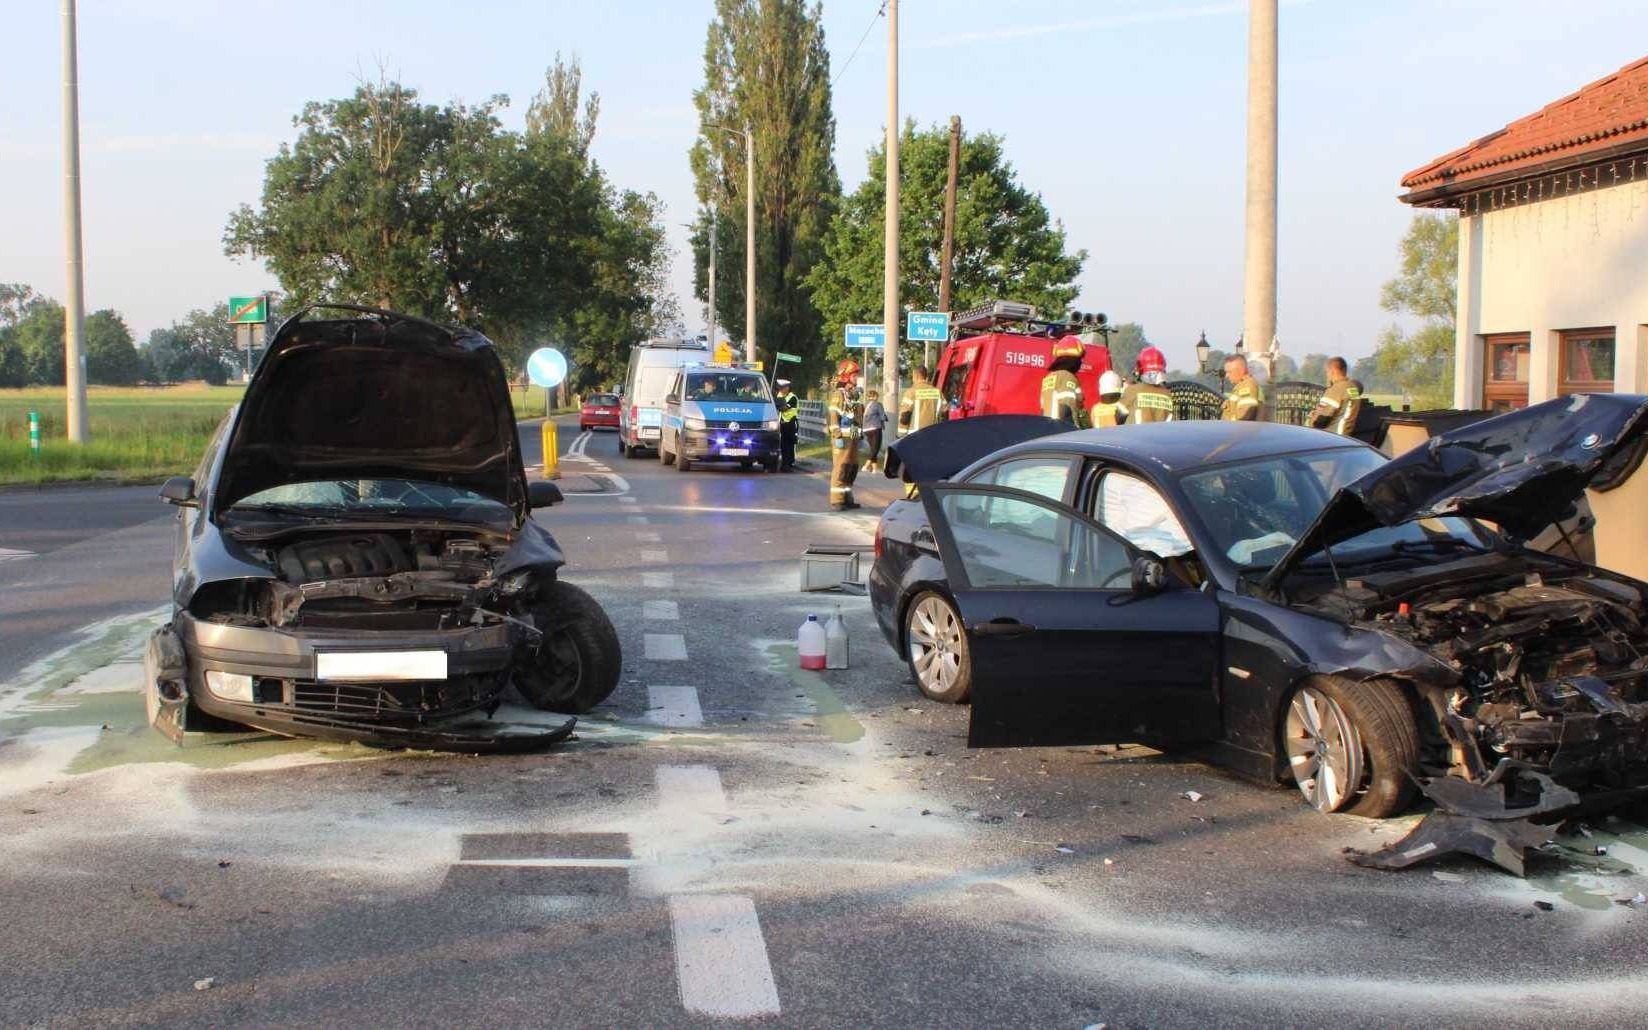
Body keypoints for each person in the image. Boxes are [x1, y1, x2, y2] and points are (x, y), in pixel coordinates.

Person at [827, 359, 863, 511]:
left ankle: (847, 497)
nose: (856, 378)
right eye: (854, 375)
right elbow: (834, 416)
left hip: (852, 438)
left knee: (851, 468)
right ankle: (837, 499)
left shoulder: (852, 395)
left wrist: (859, 435)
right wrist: (837, 436)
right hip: (842, 439)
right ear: (846, 376)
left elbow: (856, 418)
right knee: (841, 468)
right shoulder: (839, 395)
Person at [1039, 336, 1088, 427]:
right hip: (1061, 430)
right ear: (1074, 360)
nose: (1080, 363)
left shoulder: (1049, 377)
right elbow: (1068, 406)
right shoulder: (1067, 377)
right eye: (1079, 359)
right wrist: (1074, 429)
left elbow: (1043, 408)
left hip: (1047, 428)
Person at [1120, 345, 1176, 424]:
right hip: (1161, 436)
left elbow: (1118, 415)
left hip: (1135, 435)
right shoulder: (1168, 395)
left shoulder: (1131, 391)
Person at [1311, 356, 1364, 436]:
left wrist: (1313, 417)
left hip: (1332, 437)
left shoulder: (1335, 390)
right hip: (1347, 435)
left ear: (1332, 371)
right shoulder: (1353, 388)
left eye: (1327, 372)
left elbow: (1320, 421)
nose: (1327, 375)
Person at [899, 365, 944, 433]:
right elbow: (945, 412)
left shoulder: (911, 392)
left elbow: (904, 418)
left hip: (915, 436)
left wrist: (901, 435)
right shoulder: (938, 392)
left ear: (916, 376)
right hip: (933, 433)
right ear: (926, 376)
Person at [1220, 354, 1263, 421]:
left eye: (1229, 372)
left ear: (1241, 369)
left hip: (1237, 430)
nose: (1226, 376)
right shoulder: (1241, 386)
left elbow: (1244, 416)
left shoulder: (1247, 386)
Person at [775, 378, 800, 471]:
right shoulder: (780, 395)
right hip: (783, 423)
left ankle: (790, 463)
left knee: (790, 444)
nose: (780, 390)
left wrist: (778, 406)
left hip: (791, 423)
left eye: (782, 388)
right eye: (780, 388)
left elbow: (784, 408)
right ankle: (784, 464)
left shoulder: (792, 397)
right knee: (783, 445)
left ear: (788, 388)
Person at [861, 389, 887, 473]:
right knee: (876, 449)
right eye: (877, 396)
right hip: (875, 428)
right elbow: (882, 416)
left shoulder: (866, 405)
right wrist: (885, 418)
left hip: (866, 429)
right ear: (875, 396)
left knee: (873, 449)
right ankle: (866, 465)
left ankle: (874, 469)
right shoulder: (878, 404)